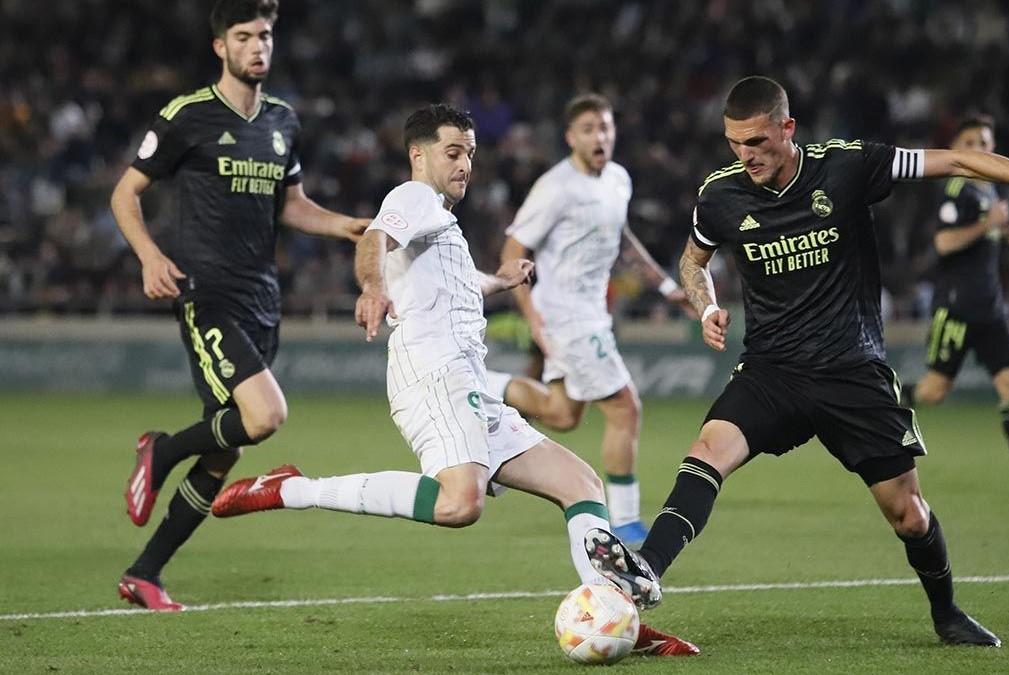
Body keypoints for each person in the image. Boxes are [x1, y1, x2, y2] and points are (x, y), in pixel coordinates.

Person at [585, 76, 1009, 647]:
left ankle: (948, 613)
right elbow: (693, 261)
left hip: (852, 370)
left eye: (757, 141)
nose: (745, 155)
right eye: (734, 143)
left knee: (908, 513)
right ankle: (647, 570)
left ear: (788, 128)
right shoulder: (720, 195)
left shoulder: (848, 166)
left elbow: (957, 158)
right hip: (773, 370)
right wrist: (705, 303)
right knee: (707, 449)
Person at [211, 103, 697, 657]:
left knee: (580, 484)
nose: (466, 163)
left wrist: (502, 278)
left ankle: (619, 620)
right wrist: (371, 287)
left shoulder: (442, 220)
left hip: (468, 381)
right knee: (459, 504)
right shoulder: (412, 197)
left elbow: (459, 285)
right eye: (453, 152)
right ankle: (290, 488)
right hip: (432, 373)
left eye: (470, 152)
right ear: (418, 155)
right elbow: (375, 241)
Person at [110, 0, 369, 611]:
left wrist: (345, 227)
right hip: (207, 292)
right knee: (266, 415)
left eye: (266, 36)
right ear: (220, 47)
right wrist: (149, 256)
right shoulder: (187, 115)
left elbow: (291, 205)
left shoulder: (283, 121)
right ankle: (162, 449)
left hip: (263, 299)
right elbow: (126, 194)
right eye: (245, 36)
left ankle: (145, 571)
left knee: (225, 450)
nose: (259, 46)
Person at [484, 93, 693, 546]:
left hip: (591, 314)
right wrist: (533, 317)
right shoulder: (556, 187)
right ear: (570, 138)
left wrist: (666, 287)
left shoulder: (618, 179)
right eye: (588, 129)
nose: (599, 137)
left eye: (605, 127)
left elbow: (621, 237)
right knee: (625, 407)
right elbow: (513, 250)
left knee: (562, 414)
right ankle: (626, 522)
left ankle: (482, 386)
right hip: (566, 315)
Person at [900, 114, 1009, 497]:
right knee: (932, 393)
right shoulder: (957, 189)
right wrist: (986, 224)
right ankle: (879, 400)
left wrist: (1003, 232)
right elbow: (944, 244)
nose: (980, 149)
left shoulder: (989, 192)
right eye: (971, 143)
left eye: (986, 143)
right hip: (957, 309)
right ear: (957, 149)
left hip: (990, 309)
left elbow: (980, 240)